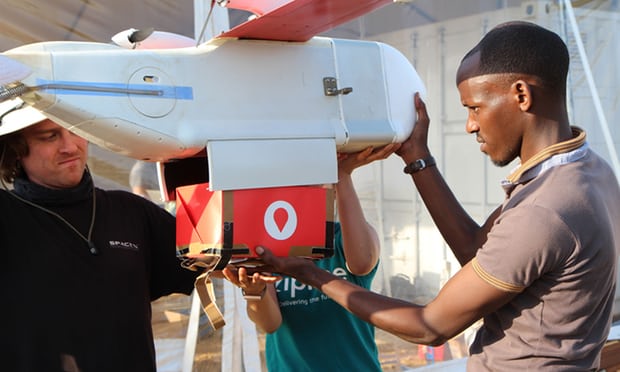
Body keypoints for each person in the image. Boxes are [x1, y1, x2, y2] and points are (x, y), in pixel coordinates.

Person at [249, 21, 620, 370]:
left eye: (474, 107)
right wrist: (417, 157)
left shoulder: (544, 210)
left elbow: (429, 326)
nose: (470, 125)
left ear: (521, 95)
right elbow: (477, 252)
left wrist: (310, 274)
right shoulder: (588, 171)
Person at [0, 98, 200, 372]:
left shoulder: (132, 212)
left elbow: (213, 262)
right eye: (50, 136)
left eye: (76, 129)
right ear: (14, 150)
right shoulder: (8, 215)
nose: (70, 146)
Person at [219, 144, 399, 371]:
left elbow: (362, 262)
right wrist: (254, 292)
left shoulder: (344, 237)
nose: (301, 191)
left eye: (312, 180)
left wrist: (342, 175)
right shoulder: (269, 246)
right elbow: (271, 324)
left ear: (328, 184)